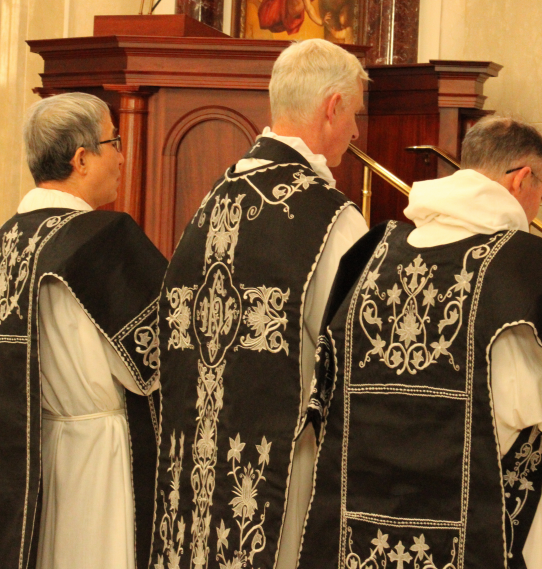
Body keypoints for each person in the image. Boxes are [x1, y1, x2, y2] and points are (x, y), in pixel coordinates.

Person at [301, 116, 542, 569]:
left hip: (368, 534)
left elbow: (326, 400)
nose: (538, 211)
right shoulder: (539, 272)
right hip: (496, 529)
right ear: (523, 178)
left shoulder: (371, 255)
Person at [150, 38, 368, 569]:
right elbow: (356, 355)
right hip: (280, 474)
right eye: (355, 115)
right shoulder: (332, 219)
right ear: (332, 106)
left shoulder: (211, 201)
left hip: (195, 471)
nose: (357, 132)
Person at [0, 92, 168, 569]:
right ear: (81, 158)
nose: (123, 157)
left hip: (28, 471)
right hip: (101, 462)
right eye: (115, 141)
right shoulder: (104, 240)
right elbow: (164, 362)